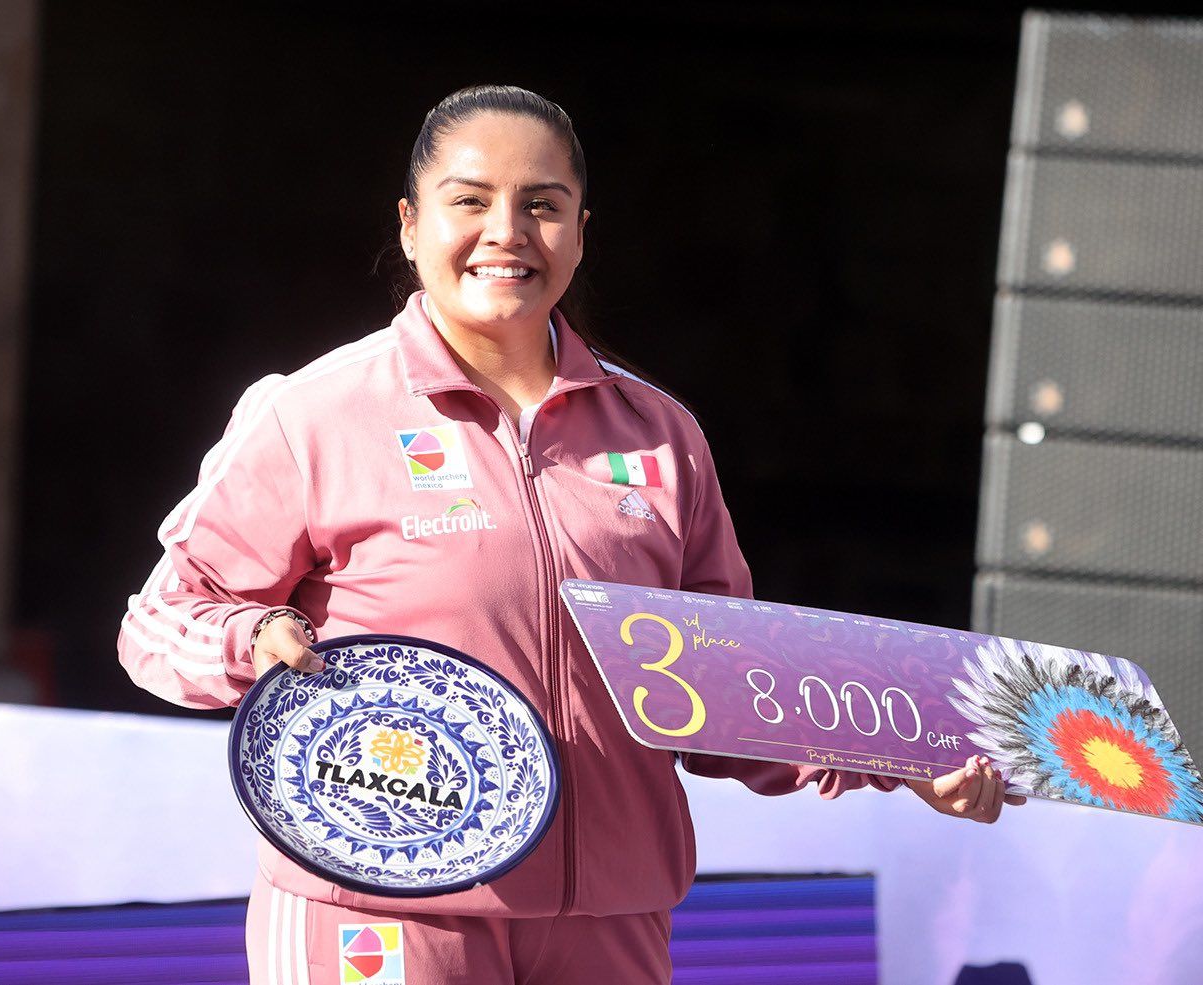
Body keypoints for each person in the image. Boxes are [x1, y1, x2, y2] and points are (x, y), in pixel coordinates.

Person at [119, 84, 1023, 985]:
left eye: (541, 206)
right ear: (409, 224)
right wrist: (252, 637)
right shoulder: (313, 414)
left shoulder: (660, 434)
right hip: (382, 908)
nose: (506, 231)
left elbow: (732, 690)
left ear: (580, 232)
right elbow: (160, 618)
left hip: (609, 918)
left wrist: (910, 755)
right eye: (469, 201)